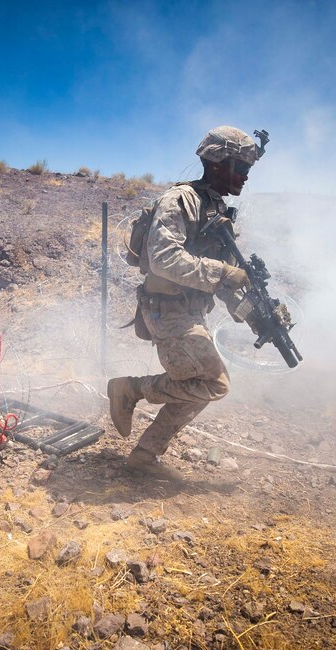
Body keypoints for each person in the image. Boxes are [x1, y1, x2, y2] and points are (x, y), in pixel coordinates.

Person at [107, 126, 266, 480]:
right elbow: (164, 258)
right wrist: (223, 272)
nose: (244, 176)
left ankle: (145, 457)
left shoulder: (216, 207)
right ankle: (130, 389)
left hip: (189, 311)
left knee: (197, 387)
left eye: (247, 169)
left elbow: (222, 283)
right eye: (239, 167)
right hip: (167, 310)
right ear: (216, 163)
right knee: (214, 383)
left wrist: (256, 317)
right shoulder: (181, 201)